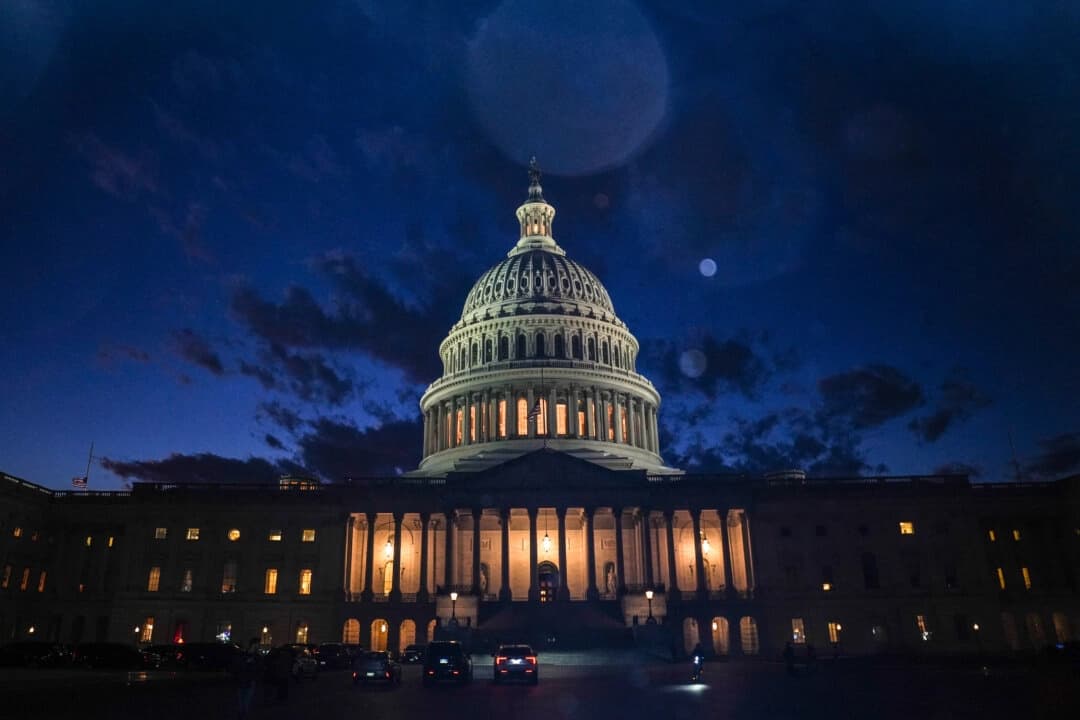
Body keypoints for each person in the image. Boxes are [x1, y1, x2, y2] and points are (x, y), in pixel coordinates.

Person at [230, 638, 260, 719]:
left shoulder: (256, 656)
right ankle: (242, 713)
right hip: (243, 678)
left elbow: (258, 667)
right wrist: (247, 662)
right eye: (257, 644)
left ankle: (243, 714)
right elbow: (237, 666)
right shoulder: (244, 654)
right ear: (254, 644)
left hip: (249, 679)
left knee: (246, 699)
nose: (258, 646)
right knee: (242, 698)